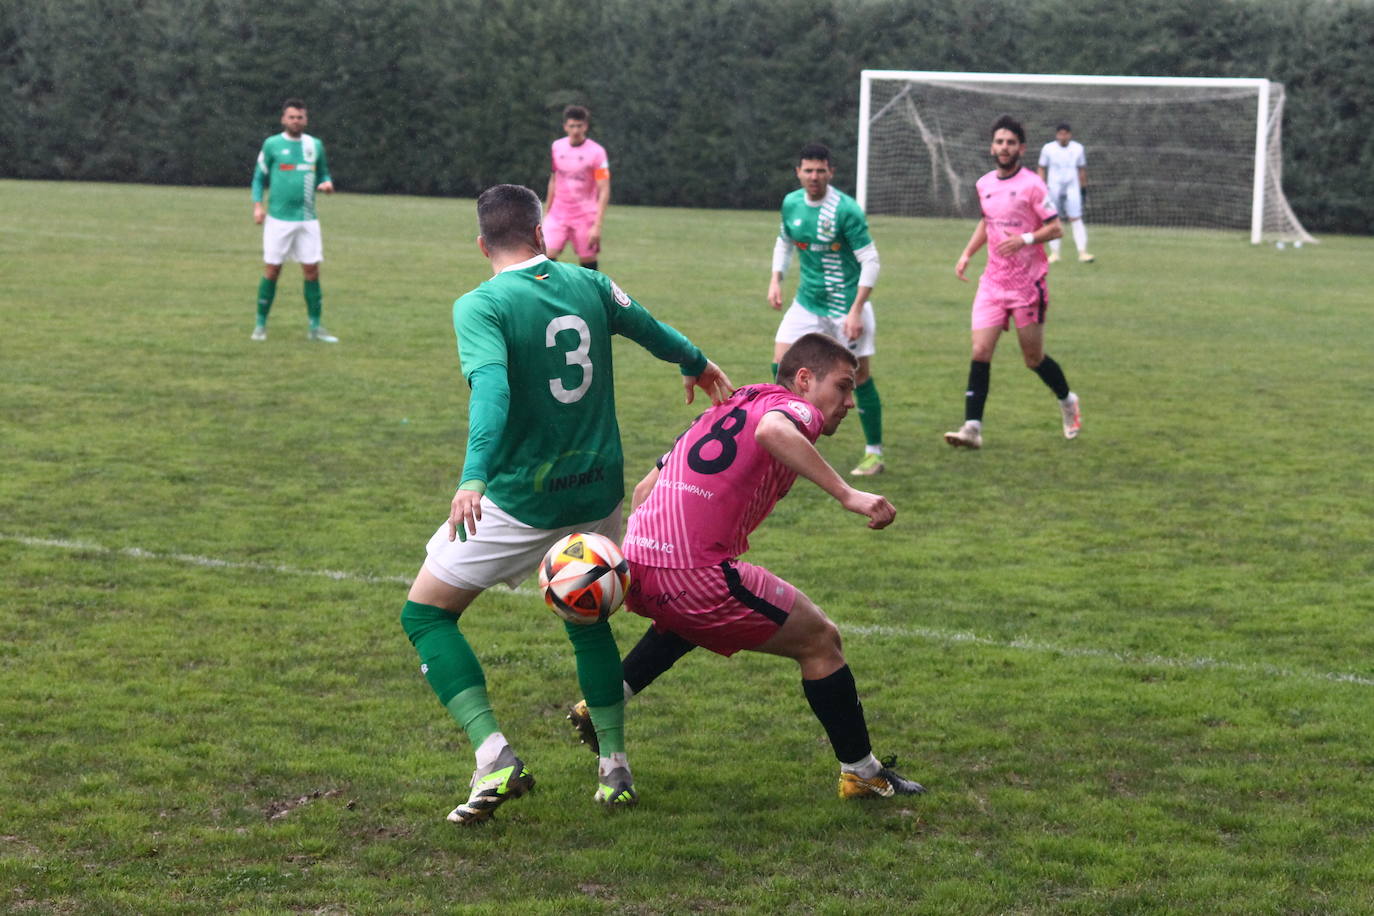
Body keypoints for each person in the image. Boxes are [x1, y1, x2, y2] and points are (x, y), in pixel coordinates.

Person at [400, 184, 733, 826]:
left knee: (426, 616)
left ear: (481, 244)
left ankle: (494, 754)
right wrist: (696, 361)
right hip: (599, 488)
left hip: (524, 498)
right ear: (542, 233)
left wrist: (473, 477)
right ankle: (613, 765)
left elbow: (491, 391)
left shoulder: (481, 304)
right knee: (588, 617)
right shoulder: (591, 284)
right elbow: (650, 327)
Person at [568, 333, 926, 801]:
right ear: (804, 379)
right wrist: (849, 494)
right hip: (692, 571)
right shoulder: (797, 411)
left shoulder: (734, 402)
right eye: (842, 386)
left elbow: (643, 490)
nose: (849, 402)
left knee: (692, 619)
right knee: (821, 640)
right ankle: (862, 772)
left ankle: (601, 705)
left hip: (635, 563)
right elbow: (773, 433)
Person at [943, 115, 1081, 451]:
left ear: (1021, 148)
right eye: (999, 141)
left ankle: (1067, 401)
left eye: (1010, 142)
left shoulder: (1033, 184)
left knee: (1033, 358)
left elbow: (1056, 227)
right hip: (993, 283)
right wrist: (966, 254)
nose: (1004, 147)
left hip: (1027, 285)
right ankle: (972, 428)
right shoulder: (984, 183)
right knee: (980, 350)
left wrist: (1026, 238)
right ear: (992, 146)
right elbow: (986, 222)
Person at [768, 143, 887, 477]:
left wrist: (856, 310)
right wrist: (776, 279)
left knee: (859, 378)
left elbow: (870, 260)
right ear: (799, 172)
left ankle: (874, 453)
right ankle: (785, 443)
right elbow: (785, 241)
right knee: (780, 367)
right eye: (808, 170)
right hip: (807, 303)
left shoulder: (845, 210)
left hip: (845, 306)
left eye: (821, 170)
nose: (814, 176)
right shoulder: (791, 203)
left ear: (831, 173)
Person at [250, 99, 338, 342]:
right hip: (278, 219)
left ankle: (315, 327)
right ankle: (260, 325)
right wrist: (258, 206)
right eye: (291, 117)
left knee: (311, 270)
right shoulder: (272, 145)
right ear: (283, 119)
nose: (295, 121)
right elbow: (258, 178)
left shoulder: (314, 145)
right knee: (272, 269)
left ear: (305, 119)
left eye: (300, 117)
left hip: (308, 219)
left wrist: (327, 183)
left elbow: (323, 172)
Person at [543, 105, 610, 271]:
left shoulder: (597, 152)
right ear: (565, 126)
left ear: (585, 126)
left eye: (579, 126)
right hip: (558, 214)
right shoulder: (557, 147)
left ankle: (592, 295)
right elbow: (554, 179)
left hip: (584, 215)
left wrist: (597, 225)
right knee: (545, 256)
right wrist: (547, 212)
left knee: (588, 262)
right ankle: (549, 293)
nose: (575, 130)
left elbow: (604, 189)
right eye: (572, 126)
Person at [1037, 122, 1094, 264]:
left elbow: (1081, 169)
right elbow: (1042, 168)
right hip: (1053, 187)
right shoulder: (1048, 148)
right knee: (1053, 219)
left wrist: (1083, 188)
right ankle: (1054, 254)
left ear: (1070, 134)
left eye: (1065, 133)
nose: (1063, 136)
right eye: (1060, 133)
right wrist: (1040, 186)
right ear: (1057, 135)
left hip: (1072, 187)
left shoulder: (1077, 149)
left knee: (1076, 217)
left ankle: (1082, 252)